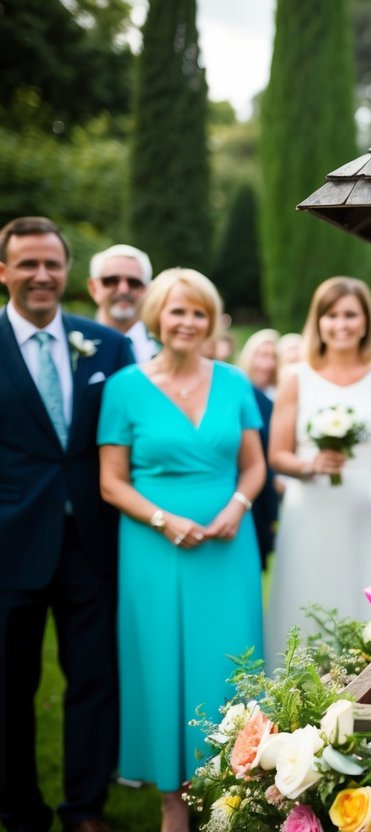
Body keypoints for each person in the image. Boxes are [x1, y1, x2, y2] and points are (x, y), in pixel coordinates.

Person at [97, 267, 264, 832]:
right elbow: (111, 481)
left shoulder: (236, 382)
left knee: (229, 662)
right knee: (160, 661)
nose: (188, 322)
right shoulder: (124, 387)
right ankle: (173, 797)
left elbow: (255, 465)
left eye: (198, 312)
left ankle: (232, 786)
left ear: (211, 320)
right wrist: (164, 519)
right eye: (177, 311)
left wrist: (237, 506)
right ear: (157, 318)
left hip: (227, 545)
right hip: (154, 547)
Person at [0, 217, 132, 832]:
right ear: (4, 272)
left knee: (94, 681)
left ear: (67, 273)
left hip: (92, 544)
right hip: (10, 545)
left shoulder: (104, 344)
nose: (41, 276)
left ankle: (85, 808)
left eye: (51, 264)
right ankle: (20, 809)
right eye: (27, 264)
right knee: (9, 686)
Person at [266, 277, 371, 661]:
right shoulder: (296, 378)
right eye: (332, 315)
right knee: (306, 598)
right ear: (318, 322)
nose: (341, 324)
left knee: (363, 598)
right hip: (310, 509)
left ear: (366, 321)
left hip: (366, 511)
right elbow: (277, 454)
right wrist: (310, 465)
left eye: (351, 315)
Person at [237, 329, 282, 569]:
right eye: (260, 355)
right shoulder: (237, 390)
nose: (266, 363)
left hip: (266, 490)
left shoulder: (275, 401)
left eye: (272, 356)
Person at [87, 243, 159, 364]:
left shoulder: (165, 348)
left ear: (147, 291)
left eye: (134, 282)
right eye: (111, 281)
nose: (123, 290)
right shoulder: (71, 345)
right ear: (94, 288)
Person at [238, 328, 280, 399]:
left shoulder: (276, 394)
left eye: (274, 357)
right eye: (264, 355)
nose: (270, 363)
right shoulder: (237, 389)